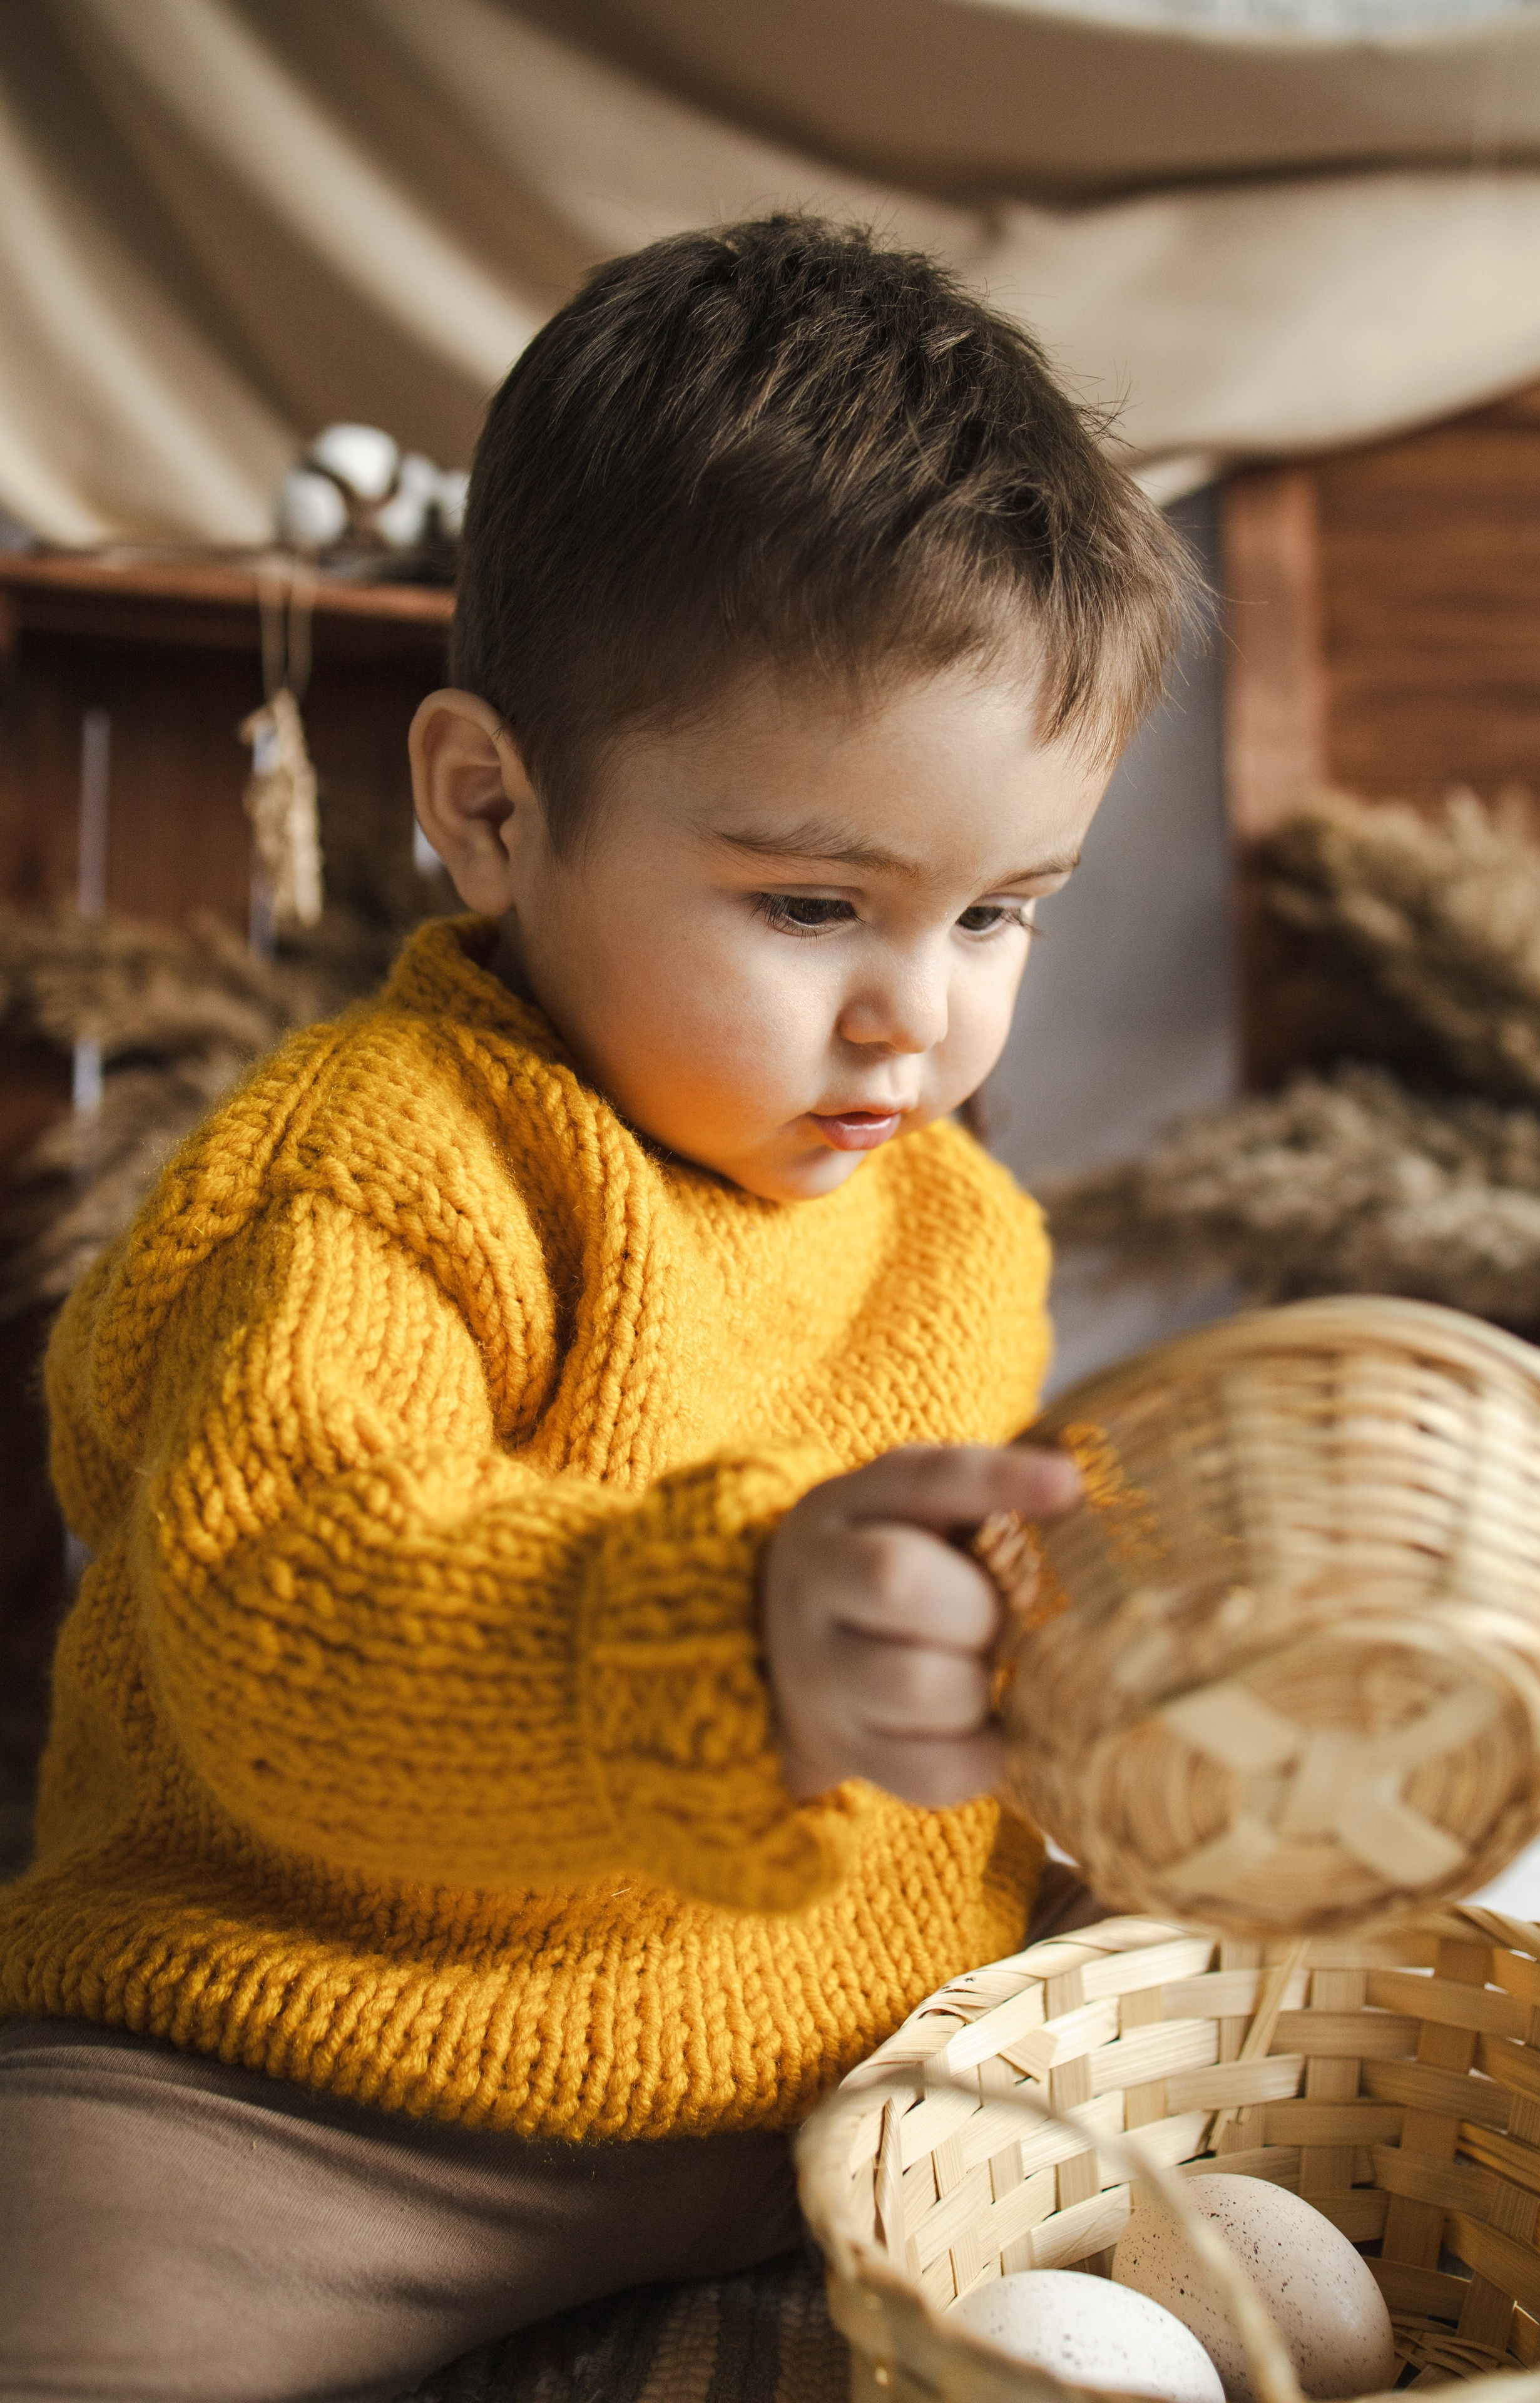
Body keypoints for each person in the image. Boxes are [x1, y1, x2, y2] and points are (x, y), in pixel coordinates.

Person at [0, 215, 1191, 2402]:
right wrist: (730, 1642)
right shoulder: (380, 1166)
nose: (913, 1021)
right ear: (490, 808)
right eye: (813, 901)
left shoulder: (959, 1230)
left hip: (850, 2077)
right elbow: (279, 1619)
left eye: (1004, 911)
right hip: (322, 2080)